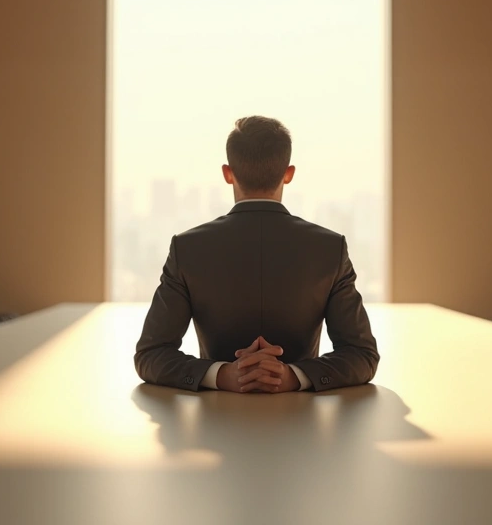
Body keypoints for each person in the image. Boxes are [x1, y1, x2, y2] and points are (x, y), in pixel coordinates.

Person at [134, 116, 379, 393]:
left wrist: (222, 374)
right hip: (303, 424)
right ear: (289, 173)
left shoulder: (187, 247)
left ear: (228, 173)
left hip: (213, 423)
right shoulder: (330, 248)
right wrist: (294, 376)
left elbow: (150, 355)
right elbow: (362, 356)